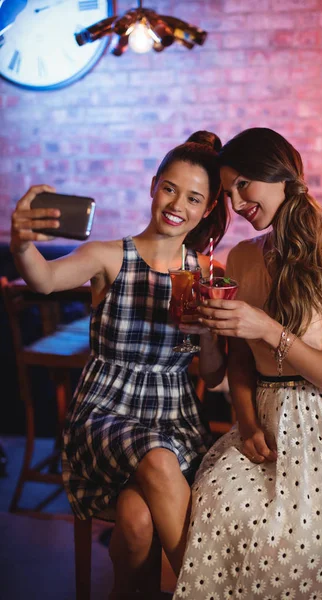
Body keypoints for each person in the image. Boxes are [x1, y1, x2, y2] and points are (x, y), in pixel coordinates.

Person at [173, 127, 322, 599]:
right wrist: (247, 422)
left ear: (280, 176)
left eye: (243, 185)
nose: (234, 203)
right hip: (262, 417)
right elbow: (237, 361)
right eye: (227, 191)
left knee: (299, 545)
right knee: (217, 510)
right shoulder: (243, 255)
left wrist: (266, 327)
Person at [10, 130, 229, 600]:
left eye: (193, 198)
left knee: (135, 522)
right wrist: (22, 243)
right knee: (155, 456)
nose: (177, 204)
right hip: (107, 412)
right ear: (153, 186)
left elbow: (212, 375)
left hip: (176, 418)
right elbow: (45, 280)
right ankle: (212, 592)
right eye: (169, 188)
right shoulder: (109, 255)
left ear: (207, 209)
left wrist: (208, 329)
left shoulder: (206, 274)